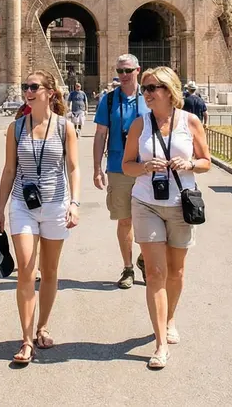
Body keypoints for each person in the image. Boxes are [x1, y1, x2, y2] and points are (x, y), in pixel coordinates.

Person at [121, 66, 212, 370]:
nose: (146, 93)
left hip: (180, 203)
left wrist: (189, 163)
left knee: (177, 272)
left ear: (169, 90)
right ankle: (160, 343)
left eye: (152, 88)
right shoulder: (139, 125)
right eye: (144, 89)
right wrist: (145, 168)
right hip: (146, 202)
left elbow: (206, 162)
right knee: (156, 273)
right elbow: (127, 166)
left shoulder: (190, 121)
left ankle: (170, 316)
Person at [0, 70, 80, 364]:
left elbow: (73, 168)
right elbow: (8, 170)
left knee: (51, 271)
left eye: (33, 87)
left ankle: (43, 325)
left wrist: (75, 202)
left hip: (55, 204)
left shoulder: (64, 127)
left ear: (49, 93)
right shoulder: (16, 128)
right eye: (25, 87)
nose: (28, 91)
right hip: (22, 203)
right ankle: (27, 339)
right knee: (27, 271)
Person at [93, 54, 148, 289]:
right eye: (119, 71)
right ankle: (128, 268)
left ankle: (145, 259)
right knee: (125, 220)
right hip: (118, 167)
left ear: (138, 70)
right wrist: (97, 167)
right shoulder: (108, 100)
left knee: (149, 219)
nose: (123, 76)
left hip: (147, 166)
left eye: (127, 71)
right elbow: (100, 135)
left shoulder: (149, 96)